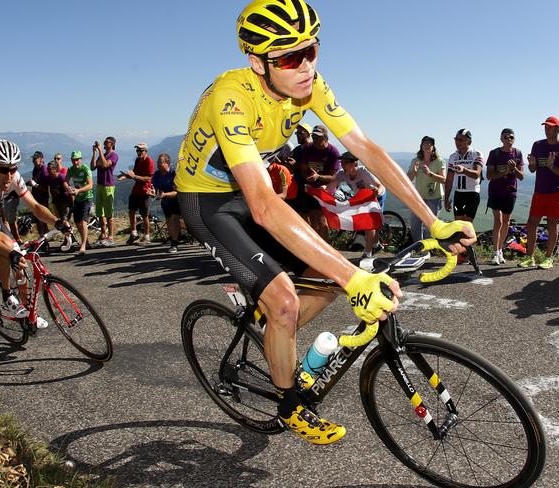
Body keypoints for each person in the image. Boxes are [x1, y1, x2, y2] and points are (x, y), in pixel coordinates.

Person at [174, 0, 474, 446]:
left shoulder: (309, 84)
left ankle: (275, 327)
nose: (306, 66)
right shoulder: (231, 96)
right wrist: (353, 275)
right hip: (208, 201)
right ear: (257, 62)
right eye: (291, 57)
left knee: (327, 276)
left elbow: (366, 148)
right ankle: (289, 402)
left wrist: (434, 221)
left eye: (312, 50)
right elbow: (263, 207)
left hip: (249, 188)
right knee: (292, 298)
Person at [0, 140, 70, 328]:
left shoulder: (14, 177)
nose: (9, 175)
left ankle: (28, 315)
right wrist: (10, 253)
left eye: (13, 169)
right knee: (7, 249)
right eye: (4, 170)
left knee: (20, 263)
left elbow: (35, 206)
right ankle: (7, 294)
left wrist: (57, 222)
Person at [518, 116, 559, 269]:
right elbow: (532, 169)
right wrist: (532, 164)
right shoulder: (537, 145)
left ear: (557, 129)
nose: (547, 129)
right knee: (531, 224)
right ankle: (530, 257)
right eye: (545, 126)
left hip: (556, 192)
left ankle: (548, 258)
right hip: (539, 191)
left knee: (552, 224)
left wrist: (551, 166)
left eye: (550, 127)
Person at [329, 151, 385, 262]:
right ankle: (376, 245)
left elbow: (380, 186)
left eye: (345, 162)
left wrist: (378, 192)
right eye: (341, 162)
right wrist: (321, 192)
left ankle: (368, 253)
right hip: (362, 199)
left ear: (355, 164)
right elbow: (332, 185)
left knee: (370, 224)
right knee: (372, 225)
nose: (342, 165)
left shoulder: (363, 172)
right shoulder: (341, 173)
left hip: (376, 196)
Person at [444, 129, 484, 263]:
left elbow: (477, 173)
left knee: (467, 226)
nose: (457, 142)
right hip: (459, 194)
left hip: (472, 193)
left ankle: (469, 254)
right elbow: (449, 179)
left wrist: (464, 170)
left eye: (460, 140)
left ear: (469, 141)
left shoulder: (476, 154)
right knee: (458, 226)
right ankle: (462, 254)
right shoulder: (453, 157)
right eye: (456, 139)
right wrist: (446, 198)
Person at [486, 129, 524, 265]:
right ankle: (495, 251)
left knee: (506, 221)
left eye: (511, 137)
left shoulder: (518, 153)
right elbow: (489, 175)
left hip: (510, 192)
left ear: (514, 139)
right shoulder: (494, 153)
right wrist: (505, 172)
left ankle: (500, 250)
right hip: (496, 191)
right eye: (505, 136)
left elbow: (522, 176)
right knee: (498, 220)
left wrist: (514, 170)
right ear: (501, 139)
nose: (509, 138)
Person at [301, 124, 341, 240]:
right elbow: (303, 169)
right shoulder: (308, 148)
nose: (315, 139)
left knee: (322, 219)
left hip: (325, 189)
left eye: (318, 137)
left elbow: (333, 177)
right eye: (314, 137)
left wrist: (318, 177)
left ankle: (326, 246)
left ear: (325, 137)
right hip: (310, 188)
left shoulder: (333, 152)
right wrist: (307, 180)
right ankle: (316, 245)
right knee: (312, 217)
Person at [407, 136, 446, 248]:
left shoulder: (439, 162)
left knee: (430, 225)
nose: (427, 146)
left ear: (433, 147)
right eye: (425, 143)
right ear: (421, 146)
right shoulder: (415, 161)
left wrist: (430, 173)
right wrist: (414, 172)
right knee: (415, 224)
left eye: (429, 144)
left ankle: (429, 248)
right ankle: (419, 248)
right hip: (418, 197)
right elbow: (407, 179)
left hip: (434, 198)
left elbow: (443, 179)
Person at [123, 143, 154, 245]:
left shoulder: (149, 161)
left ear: (146, 151)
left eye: (141, 151)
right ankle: (134, 233)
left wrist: (134, 176)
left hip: (145, 191)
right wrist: (126, 175)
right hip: (136, 190)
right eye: (137, 151)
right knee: (131, 211)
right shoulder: (137, 160)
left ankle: (147, 236)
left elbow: (148, 178)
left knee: (144, 215)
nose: (138, 153)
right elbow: (134, 172)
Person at [90, 137, 119, 247]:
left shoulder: (114, 155)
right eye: (104, 142)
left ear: (112, 144)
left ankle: (110, 236)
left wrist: (101, 152)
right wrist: (94, 153)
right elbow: (93, 167)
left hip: (108, 186)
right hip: (100, 185)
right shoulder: (101, 155)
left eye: (107, 143)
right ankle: (103, 234)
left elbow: (106, 164)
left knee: (108, 213)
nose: (105, 144)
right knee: (100, 213)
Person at [151, 153, 182, 253]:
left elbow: (177, 192)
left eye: (160, 162)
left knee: (174, 218)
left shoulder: (174, 174)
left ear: (167, 163)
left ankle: (175, 243)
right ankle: (173, 237)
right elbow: (155, 190)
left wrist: (164, 195)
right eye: (158, 163)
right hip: (165, 202)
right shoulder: (157, 175)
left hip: (176, 201)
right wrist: (152, 193)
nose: (158, 165)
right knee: (168, 220)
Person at [65, 151, 94, 256]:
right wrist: (68, 188)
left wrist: (78, 191)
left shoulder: (85, 169)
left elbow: (90, 185)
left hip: (87, 197)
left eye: (77, 159)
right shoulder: (71, 169)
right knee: (77, 222)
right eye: (73, 160)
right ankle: (85, 241)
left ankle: (83, 245)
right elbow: (65, 181)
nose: (75, 162)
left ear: (81, 159)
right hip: (77, 198)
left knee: (83, 221)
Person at [27, 151, 50, 235]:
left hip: (42, 198)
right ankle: (41, 238)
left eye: (35, 159)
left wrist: (35, 185)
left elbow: (45, 188)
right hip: (36, 197)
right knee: (37, 219)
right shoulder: (36, 169)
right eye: (33, 159)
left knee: (42, 220)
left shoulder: (44, 170)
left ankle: (44, 240)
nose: (33, 161)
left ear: (41, 159)